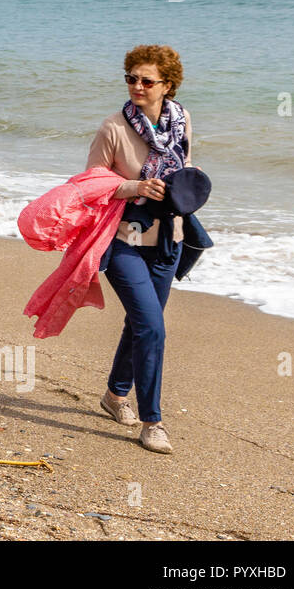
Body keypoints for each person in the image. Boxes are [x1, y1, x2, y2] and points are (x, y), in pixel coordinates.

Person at [87, 45, 193, 455]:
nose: (136, 86)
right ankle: (152, 421)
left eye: (146, 80)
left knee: (140, 324)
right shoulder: (112, 128)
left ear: (167, 85)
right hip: (123, 241)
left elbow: (184, 171)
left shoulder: (182, 119)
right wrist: (133, 188)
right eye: (131, 78)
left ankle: (114, 397)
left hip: (169, 240)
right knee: (152, 326)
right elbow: (90, 184)